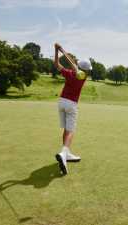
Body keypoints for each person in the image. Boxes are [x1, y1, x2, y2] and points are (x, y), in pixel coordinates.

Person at [53, 43, 92, 175]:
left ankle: (67, 153)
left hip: (61, 102)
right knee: (71, 130)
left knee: (66, 129)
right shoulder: (83, 76)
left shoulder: (73, 73)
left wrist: (57, 51)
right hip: (71, 105)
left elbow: (57, 65)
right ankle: (64, 154)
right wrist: (59, 50)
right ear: (86, 70)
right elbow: (67, 66)